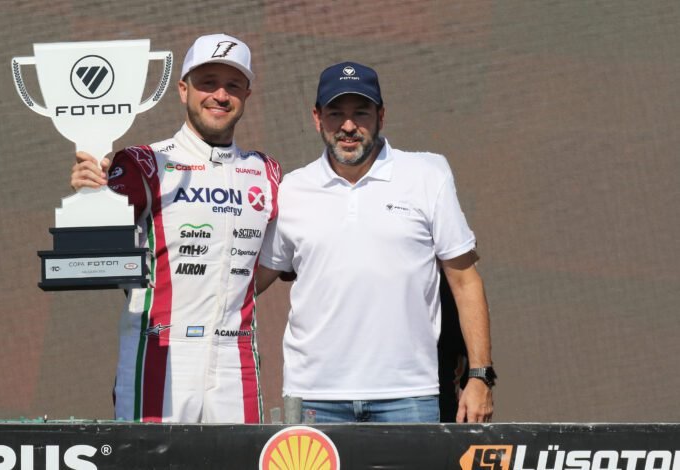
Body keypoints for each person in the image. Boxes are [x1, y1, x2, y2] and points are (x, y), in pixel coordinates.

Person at [256, 61, 494, 423]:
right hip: (314, 398)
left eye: (361, 113)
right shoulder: (292, 188)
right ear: (317, 118)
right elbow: (251, 282)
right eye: (336, 113)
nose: (348, 126)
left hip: (408, 397)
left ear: (381, 116)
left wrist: (480, 376)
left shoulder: (427, 175)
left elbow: (465, 281)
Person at [71, 33, 281, 423]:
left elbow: (275, 260)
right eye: (208, 83)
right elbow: (94, 250)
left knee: (239, 456)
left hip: (235, 356)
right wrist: (90, 196)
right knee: (150, 455)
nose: (220, 95)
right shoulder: (143, 161)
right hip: (160, 350)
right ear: (183, 90)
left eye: (233, 85)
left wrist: (234, 292)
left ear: (247, 95)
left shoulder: (266, 171)